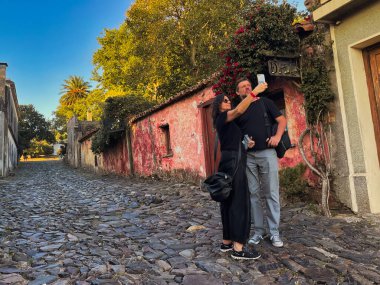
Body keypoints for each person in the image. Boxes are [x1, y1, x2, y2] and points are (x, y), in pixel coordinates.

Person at [212, 81, 268, 260]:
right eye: (226, 100)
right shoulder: (222, 117)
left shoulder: (226, 122)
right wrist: (254, 93)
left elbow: (231, 142)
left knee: (228, 201)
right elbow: (238, 111)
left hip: (231, 159)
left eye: (229, 100)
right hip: (234, 162)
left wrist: (245, 144)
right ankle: (238, 247)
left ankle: (227, 242)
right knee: (239, 202)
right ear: (219, 105)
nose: (229, 102)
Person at [234, 77, 287, 248]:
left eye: (249, 85)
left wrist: (277, 137)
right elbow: (235, 133)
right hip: (249, 156)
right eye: (243, 87)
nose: (247, 88)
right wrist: (244, 142)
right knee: (254, 194)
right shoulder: (239, 110)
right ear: (237, 92)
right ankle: (258, 232)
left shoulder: (265, 102)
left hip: (267, 153)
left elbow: (281, 120)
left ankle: (274, 232)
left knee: (271, 193)